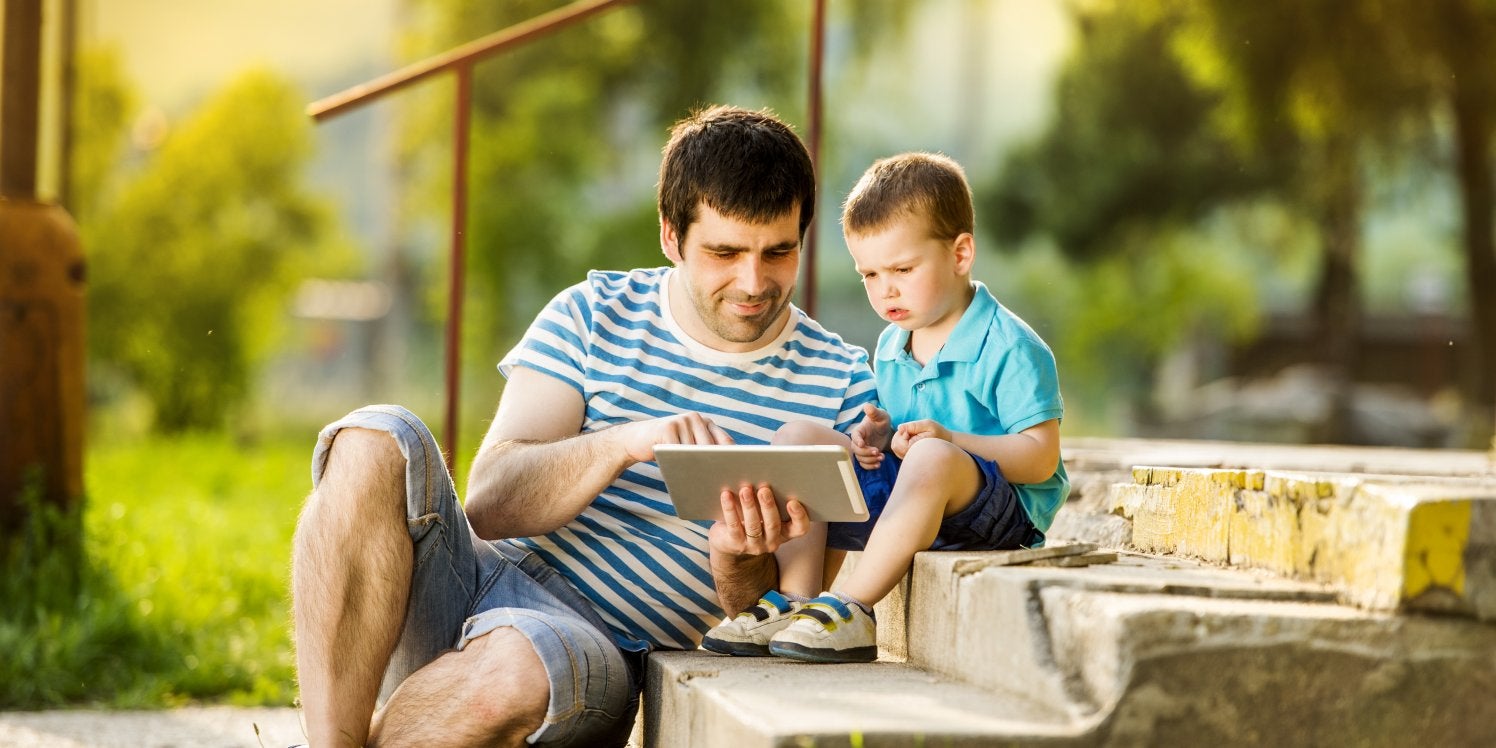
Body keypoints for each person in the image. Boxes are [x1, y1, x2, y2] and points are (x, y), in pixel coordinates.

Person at [290, 104, 876, 747]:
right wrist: (624, 443)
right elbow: (490, 504)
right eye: (724, 252)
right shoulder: (593, 312)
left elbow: (782, 624)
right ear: (671, 237)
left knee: (513, 668)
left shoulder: (843, 385)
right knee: (374, 438)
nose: (753, 281)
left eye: (778, 252)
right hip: (471, 578)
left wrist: (738, 559)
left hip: (596, 644)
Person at [702, 152, 1070, 664]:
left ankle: (852, 606)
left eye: (902, 269)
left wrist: (949, 441)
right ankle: (796, 600)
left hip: (994, 518)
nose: (885, 290)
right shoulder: (894, 343)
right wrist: (876, 436)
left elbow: (1041, 459)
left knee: (932, 457)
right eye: (869, 275)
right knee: (798, 439)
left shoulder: (1009, 346)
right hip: (912, 498)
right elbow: (903, 442)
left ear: (961, 254)